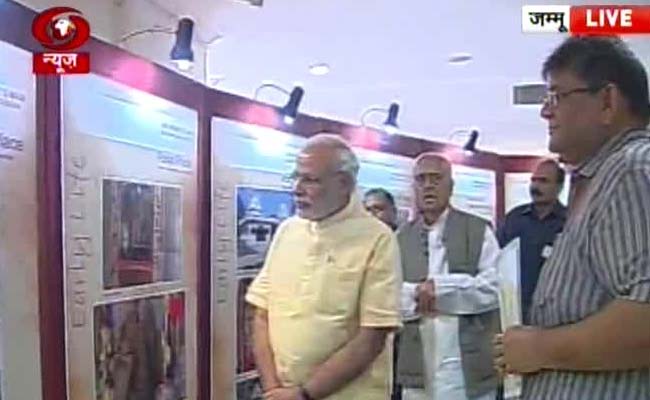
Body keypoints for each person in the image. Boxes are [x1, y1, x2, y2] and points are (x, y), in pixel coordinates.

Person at [494, 36, 650, 399]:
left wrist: (540, 348)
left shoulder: (631, 171)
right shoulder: (603, 177)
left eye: (556, 96)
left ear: (607, 101)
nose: (545, 112)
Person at [246, 134, 402, 400]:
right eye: (296, 177)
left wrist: (304, 394)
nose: (297, 188)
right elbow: (262, 314)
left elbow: (372, 336)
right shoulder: (288, 231)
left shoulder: (377, 239)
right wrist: (273, 390)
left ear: (344, 184)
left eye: (310, 179)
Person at [396, 153, 500, 400]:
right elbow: (389, 295)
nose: (428, 186)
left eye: (436, 179)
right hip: (417, 361)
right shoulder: (400, 237)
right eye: (421, 179)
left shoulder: (478, 230)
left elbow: (495, 287)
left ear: (451, 186)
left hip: (467, 361)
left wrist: (440, 289)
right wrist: (418, 294)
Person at [497, 159, 567, 323]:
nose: (535, 186)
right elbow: (496, 257)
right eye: (534, 180)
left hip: (554, 312)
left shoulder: (569, 221)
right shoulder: (515, 218)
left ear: (559, 187)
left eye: (543, 181)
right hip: (515, 309)